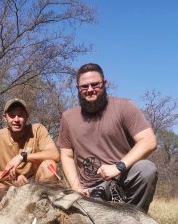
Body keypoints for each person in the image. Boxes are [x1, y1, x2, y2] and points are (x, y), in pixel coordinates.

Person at [57, 63, 157, 213]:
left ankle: (135, 218)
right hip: (90, 187)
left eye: (95, 84)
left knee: (147, 169)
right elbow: (66, 155)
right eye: (84, 86)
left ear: (104, 83)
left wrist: (118, 167)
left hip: (122, 179)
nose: (90, 89)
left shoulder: (125, 107)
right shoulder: (68, 117)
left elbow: (149, 141)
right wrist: (76, 188)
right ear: (78, 89)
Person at [0, 98, 60, 187]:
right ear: (5, 117)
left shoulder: (38, 129)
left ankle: (42, 198)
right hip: (9, 185)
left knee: (49, 166)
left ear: (26, 116)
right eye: (12, 115)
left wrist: (22, 157)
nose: (16, 119)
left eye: (20, 115)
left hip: (35, 186)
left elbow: (55, 155)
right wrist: (13, 177)